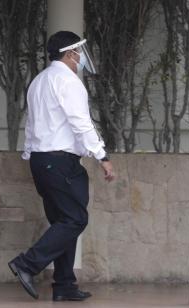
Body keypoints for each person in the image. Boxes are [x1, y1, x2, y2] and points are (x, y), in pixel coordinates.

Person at [8, 31, 115, 302]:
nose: (81, 58)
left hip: (42, 160)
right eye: (78, 52)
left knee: (63, 221)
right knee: (75, 219)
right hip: (60, 161)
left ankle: (64, 284)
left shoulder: (39, 81)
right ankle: (26, 264)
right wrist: (102, 156)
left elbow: (31, 124)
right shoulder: (68, 82)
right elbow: (81, 123)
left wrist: (31, 155)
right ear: (70, 54)